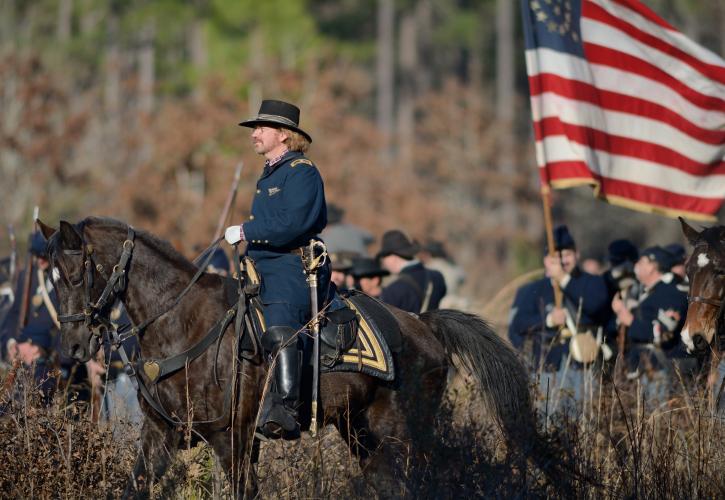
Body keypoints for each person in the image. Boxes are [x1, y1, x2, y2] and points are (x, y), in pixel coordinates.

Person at [224, 99, 333, 439]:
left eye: (261, 128)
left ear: (284, 135)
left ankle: (285, 410)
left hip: (291, 266)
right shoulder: (270, 173)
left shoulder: (302, 171)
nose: (254, 134)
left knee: (281, 327)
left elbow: (292, 223)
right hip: (261, 266)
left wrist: (246, 231)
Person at [508, 225, 609, 409]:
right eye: (556, 256)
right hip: (545, 367)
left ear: (577, 255)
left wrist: (564, 279)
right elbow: (517, 326)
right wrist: (548, 321)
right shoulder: (531, 290)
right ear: (546, 260)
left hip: (583, 366)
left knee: (582, 419)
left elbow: (596, 307)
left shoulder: (592, 283)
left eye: (567, 254)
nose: (562, 260)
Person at [611, 246, 688, 399]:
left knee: (657, 417)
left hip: (658, 368)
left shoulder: (671, 293)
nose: (637, 265)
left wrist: (628, 319)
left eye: (641, 261)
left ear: (653, 266)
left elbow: (664, 332)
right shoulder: (647, 291)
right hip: (639, 366)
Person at [377, 230, 446, 313]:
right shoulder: (437, 277)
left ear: (393, 257)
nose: (384, 262)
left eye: (384, 257)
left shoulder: (393, 291)